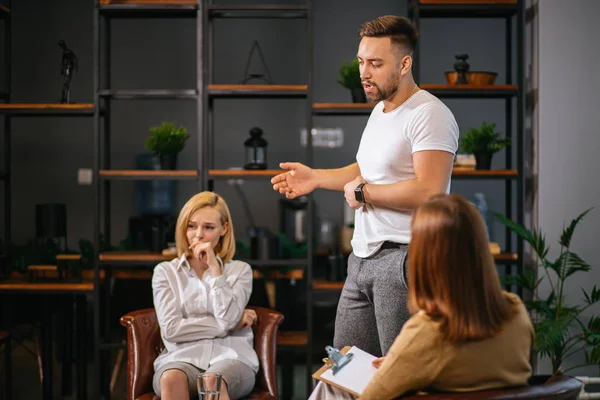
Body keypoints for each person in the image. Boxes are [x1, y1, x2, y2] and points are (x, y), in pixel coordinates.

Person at [271, 15, 459, 357]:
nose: (364, 73)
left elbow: (430, 192)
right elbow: (367, 170)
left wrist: (363, 193)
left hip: (405, 260)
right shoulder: (380, 112)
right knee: (344, 371)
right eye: (361, 61)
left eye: (375, 63)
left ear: (404, 64)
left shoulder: (429, 114)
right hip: (362, 259)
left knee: (398, 378)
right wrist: (315, 178)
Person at [309, 194, 534, 400]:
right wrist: (403, 361)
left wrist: (405, 359)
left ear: (424, 259)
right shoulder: (516, 313)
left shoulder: (427, 331)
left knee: (332, 386)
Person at [151, 191, 258, 400]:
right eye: (192, 226)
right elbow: (172, 330)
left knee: (212, 380)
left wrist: (215, 269)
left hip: (231, 357)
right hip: (180, 357)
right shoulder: (165, 272)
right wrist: (231, 324)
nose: (198, 234)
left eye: (208, 227)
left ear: (223, 229)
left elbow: (227, 319)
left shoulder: (240, 271)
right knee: (171, 378)